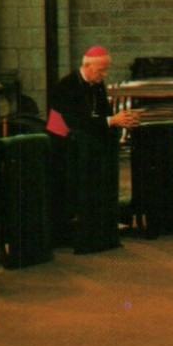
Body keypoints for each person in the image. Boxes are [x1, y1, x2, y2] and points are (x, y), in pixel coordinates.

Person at [47, 46, 142, 253]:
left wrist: (120, 122)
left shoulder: (97, 85)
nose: (105, 75)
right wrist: (111, 121)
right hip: (63, 150)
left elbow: (103, 115)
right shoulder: (67, 86)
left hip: (88, 147)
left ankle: (102, 233)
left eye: (106, 70)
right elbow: (74, 122)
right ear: (87, 66)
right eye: (102, 70)